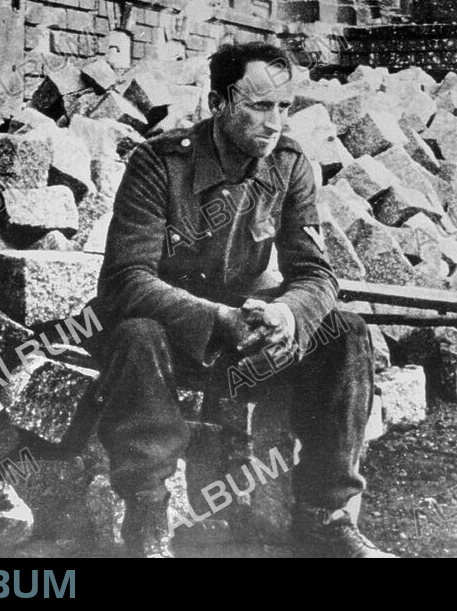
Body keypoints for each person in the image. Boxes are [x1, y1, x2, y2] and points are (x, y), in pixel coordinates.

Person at [92, 41, 394, 558]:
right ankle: (147, 526)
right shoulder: (158, 163)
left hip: (248, 335)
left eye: (283, 106)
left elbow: (316, 274)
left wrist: (286, 315)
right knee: (136, 336)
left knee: (346, 332)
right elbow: (125, 280)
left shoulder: (290, 163)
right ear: (218, 104)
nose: (274, 121)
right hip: (171, 335)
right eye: (258, 105)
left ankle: (326, 519)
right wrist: (218, 318)